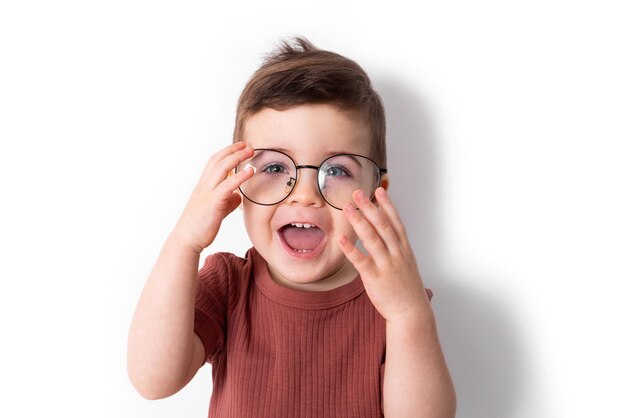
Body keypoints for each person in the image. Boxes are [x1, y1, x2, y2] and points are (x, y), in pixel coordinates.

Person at [127, 37, 456, 418]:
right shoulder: (229, 285)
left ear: (376, 195)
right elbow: (153, 380)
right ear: (236, 184)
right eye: (274, 167)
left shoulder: (393, 298)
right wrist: (184, 242)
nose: (303, 195)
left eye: (336, 170)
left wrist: (407, 313)